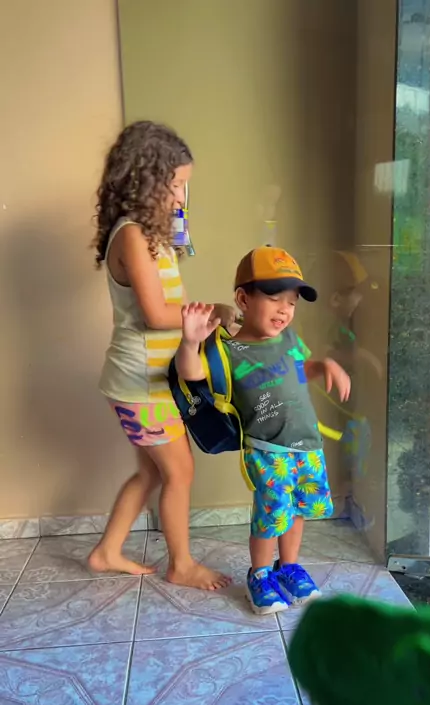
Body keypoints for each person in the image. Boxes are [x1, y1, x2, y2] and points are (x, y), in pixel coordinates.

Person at [88, 121, 234, 589]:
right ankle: (181, 565)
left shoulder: (150, 235)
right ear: (145, 181)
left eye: (185, 185)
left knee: (151, 474)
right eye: (175, 185)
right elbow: (155, 314)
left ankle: (106, 552)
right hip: (140, 385)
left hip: (151, 381)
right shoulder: (131, 235)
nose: (181, 196)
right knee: (180, 472)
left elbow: (169, 298)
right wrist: (216, 311)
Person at [175, 246, 351, 613]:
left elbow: (303, 367)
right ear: (244, 299)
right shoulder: (229, 349)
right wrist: (190, 341)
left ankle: (289, 567)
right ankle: (259, 574)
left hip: (308, 445)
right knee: (271, 517)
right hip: (268, 449)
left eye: (292, 303)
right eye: (274, 299)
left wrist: (326, 365)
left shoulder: (288, 339)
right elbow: (191, 374)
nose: (285, 310)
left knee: (298, 510)